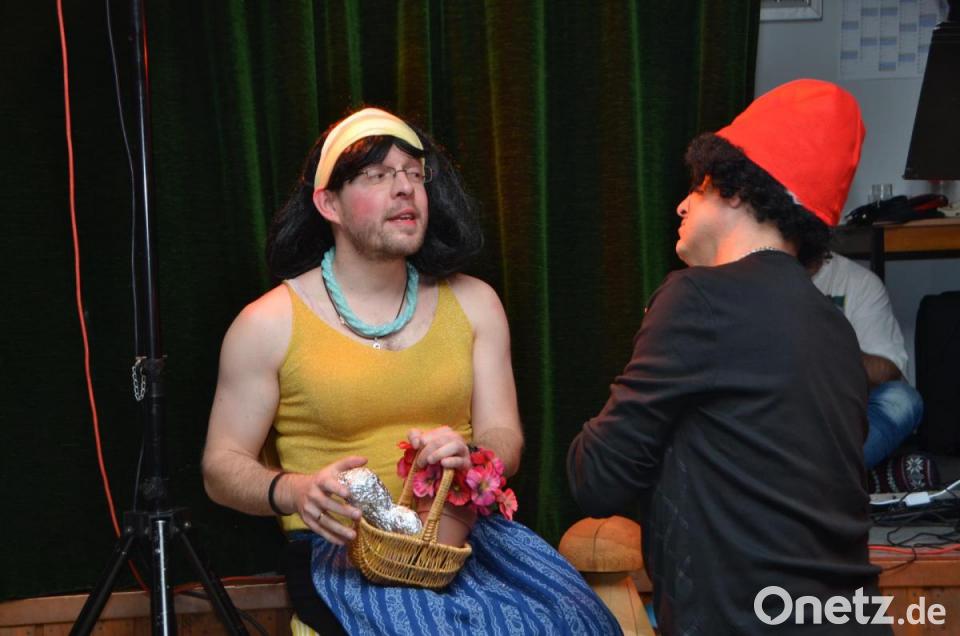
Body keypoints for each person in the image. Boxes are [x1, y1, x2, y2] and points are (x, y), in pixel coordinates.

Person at [202, 107, 619, 635]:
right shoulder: (266, 324)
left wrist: (476, 456)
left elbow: (504, 435)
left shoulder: (476, 303)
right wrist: (296, 491)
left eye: (413, 174)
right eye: (377, 175)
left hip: (467, 536)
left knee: (581, 621)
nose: (404, 189)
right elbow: (220, 467)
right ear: (328, 203)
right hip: (344, 550)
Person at [568, 80, 892, 635]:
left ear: (737, 189)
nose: (681, 204)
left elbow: (596, 478)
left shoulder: (696, 296)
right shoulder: (836, 329)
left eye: (698, 188)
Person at [811, 252, 924, 471]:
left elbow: (887, 371)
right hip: (775, 411)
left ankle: (825, 474)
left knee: (902, 400)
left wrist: (827, 346)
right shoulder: (757, 278)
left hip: (840, 413)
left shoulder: (856, 281)